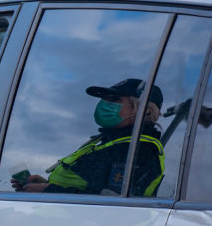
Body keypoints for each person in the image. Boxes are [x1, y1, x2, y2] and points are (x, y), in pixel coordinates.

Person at [11, 78, 165, 197]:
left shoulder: (137, 150)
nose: (105, 103)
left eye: (115, 100)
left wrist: (48, 191)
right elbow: (90, 189)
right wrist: (43, 186)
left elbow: (109, 202)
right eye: (105, 98)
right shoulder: (112, 142)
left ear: (143, 111)